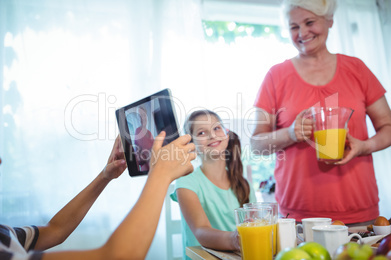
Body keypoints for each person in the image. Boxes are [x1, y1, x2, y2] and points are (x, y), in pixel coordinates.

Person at [251, 0, 391, 225]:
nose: (302, 33)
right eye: (293, 26)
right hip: (298, 215)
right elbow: (256, 144)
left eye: (310, 22)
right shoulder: (276, 76)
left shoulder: (357, 69)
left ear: (329, 20)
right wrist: (290, 133)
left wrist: (363, 146)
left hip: (358, 210)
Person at [0, 132, 195, 260]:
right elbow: (118, 256)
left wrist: (104, 176)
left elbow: (55, 230)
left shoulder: (4, 235)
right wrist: (160, 174)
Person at [170, 110, 256, 258]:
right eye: (202, 133)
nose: (212, 135)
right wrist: (235, 239)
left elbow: (255, 224)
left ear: (226, 134)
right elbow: (200, 230)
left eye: (217, 128)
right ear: (192, 145)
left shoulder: (244, 183)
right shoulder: (187, 181)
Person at [134, 106, 154, 172]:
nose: (142, 118)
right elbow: (138, 158)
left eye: (143, 115)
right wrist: (147, 155)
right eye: (139, 116)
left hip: (153, 167)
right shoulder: (138, 132)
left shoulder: (149, 132)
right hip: (146, 170)